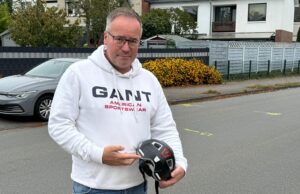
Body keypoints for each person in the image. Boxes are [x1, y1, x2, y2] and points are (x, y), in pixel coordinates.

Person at [48, 7, 187, 194]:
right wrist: (98, 155)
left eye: (133, 41)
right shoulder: (78, 74)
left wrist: (179, 162)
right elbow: (59, 125)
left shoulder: (149, 80)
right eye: (119, 39)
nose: (126, 47)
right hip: (92, 188)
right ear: (106, 37)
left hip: (137, 186)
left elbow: (164, 128)